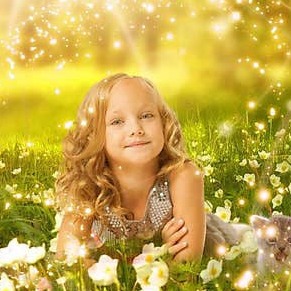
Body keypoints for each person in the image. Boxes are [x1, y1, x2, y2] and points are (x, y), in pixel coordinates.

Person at [54, 72, 205, 264]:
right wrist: (161, 254)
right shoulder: (89, 185)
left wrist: (99, 267)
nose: (136, 129)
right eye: (117, 121)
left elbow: (187, 268)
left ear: (163, 122)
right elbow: (66, 259)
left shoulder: (184, 175)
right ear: (95, 134)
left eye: (146, 115)